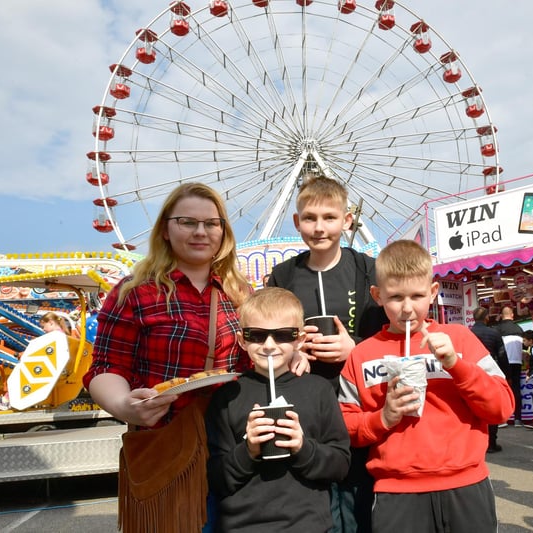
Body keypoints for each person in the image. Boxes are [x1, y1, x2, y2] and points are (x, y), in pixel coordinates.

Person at [82, 182, 253, 532]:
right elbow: (105, 366)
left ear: (224, 231)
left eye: (211, 223)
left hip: (235, 445)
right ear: (165, 228)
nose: (200, 232)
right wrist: (126, 406)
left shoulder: (241, 292)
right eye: (187, 222)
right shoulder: (136, 291)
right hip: (169, 440)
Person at [338, 240, 514, 533]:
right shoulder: (361, 355)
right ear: (377, 295)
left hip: (466, 484)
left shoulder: (460, 339)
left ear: (432, 292)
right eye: (395, 297)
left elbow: (502, 408)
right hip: (396, 493)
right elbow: (345, 427)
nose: (407, 308)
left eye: (417, 295)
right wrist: (382, 418)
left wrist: (456, 366)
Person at [266, 174, 386, 533]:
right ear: (297, 222)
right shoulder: (283, 276)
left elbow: (397, 335)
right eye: (310, 218)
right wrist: (290, 350)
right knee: (312, 500)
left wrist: (356, 348)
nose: (319, 228)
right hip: (305, 407)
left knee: (358, 501)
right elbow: (267, 335)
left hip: (359, 406)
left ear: (347, 220)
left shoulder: (369, 271)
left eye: (329, 218)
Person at [206, 287, 351, 532]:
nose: (269, 345)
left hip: (308, 525)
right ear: (243, 340)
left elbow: (340, 465)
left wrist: (302, 447)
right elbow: (216, 478)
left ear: (300, 339)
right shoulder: (227, 396)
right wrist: (249, 449)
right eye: (257, 335)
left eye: (283, 335)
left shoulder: (319, 390)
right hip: (242, 526)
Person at [469, 306, 508, 453]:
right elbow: (502, 355)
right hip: (490, 372)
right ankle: (492, 442)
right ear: (486, 318)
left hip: (472, 373)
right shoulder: (494, 333)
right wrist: (506, 374)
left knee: (474, 407)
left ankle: (477, 442)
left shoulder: (468, 333)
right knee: (491, 405)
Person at [496, 305, 525, 427]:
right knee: (516, 389)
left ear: (502, 316)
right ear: (512, 315)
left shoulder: (498, 329)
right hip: (517, 362)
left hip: (503, 363)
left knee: (502, 390)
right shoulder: (519, 329)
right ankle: (518, 418)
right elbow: (524, 347)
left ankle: (504, 419)